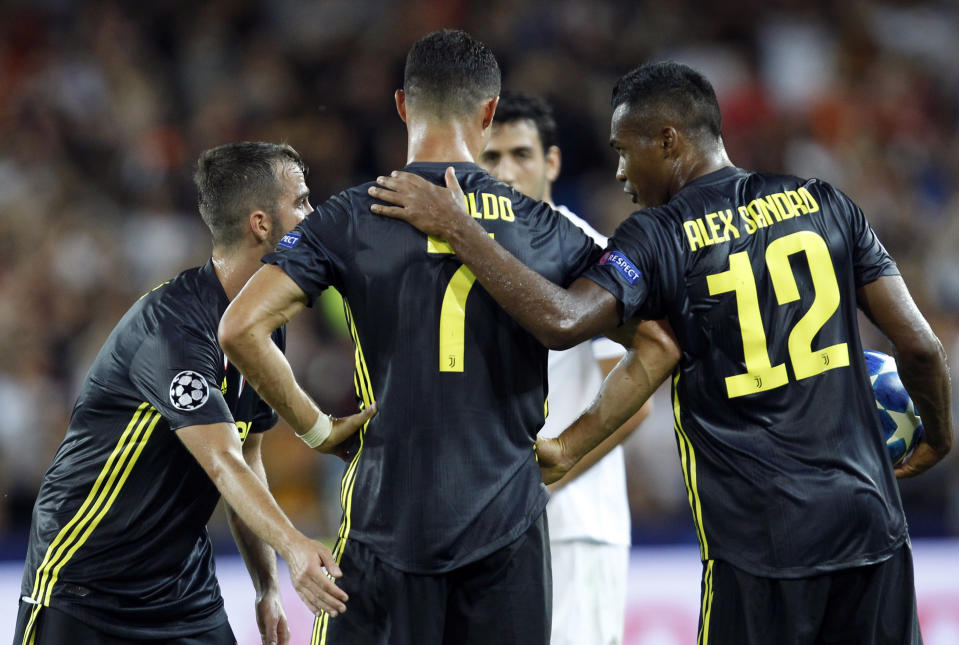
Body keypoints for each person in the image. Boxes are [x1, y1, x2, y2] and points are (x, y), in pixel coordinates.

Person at [367, 61, 954, 644]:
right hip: (872, 526)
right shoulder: (826, 201)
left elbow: (564, 321)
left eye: (626, 149)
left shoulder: (657, 235)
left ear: (668, 140)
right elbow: (920, 347)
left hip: (759, 546)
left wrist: (460, 229)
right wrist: (940, 434)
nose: (621, 172)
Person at [219, 30, 678, 645]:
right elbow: (659, 346)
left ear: (404, 106)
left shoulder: (355, 213)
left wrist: (317, 429)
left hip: (384, 522)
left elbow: (240, 329)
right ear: (489, 114)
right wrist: (569, 447)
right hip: (507, 526)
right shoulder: (543, 226)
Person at [13, 142, 375, 645]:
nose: (313, 216)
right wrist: (294, 546)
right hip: (84, 583)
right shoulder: (171, 330)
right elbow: (222, 462)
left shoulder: (263, 326)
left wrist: (266, 585)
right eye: (302, 202)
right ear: (260, 224)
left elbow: (248, 457)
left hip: (181, 589)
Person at [478, 90, 648, 645]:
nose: (506, 171)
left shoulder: (588, 253)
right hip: (488, 523)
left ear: (551, 162)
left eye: (521, 154)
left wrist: (547, 483)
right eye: (491, 157)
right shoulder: (467, 258)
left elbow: (638, 398)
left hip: (576, 523)